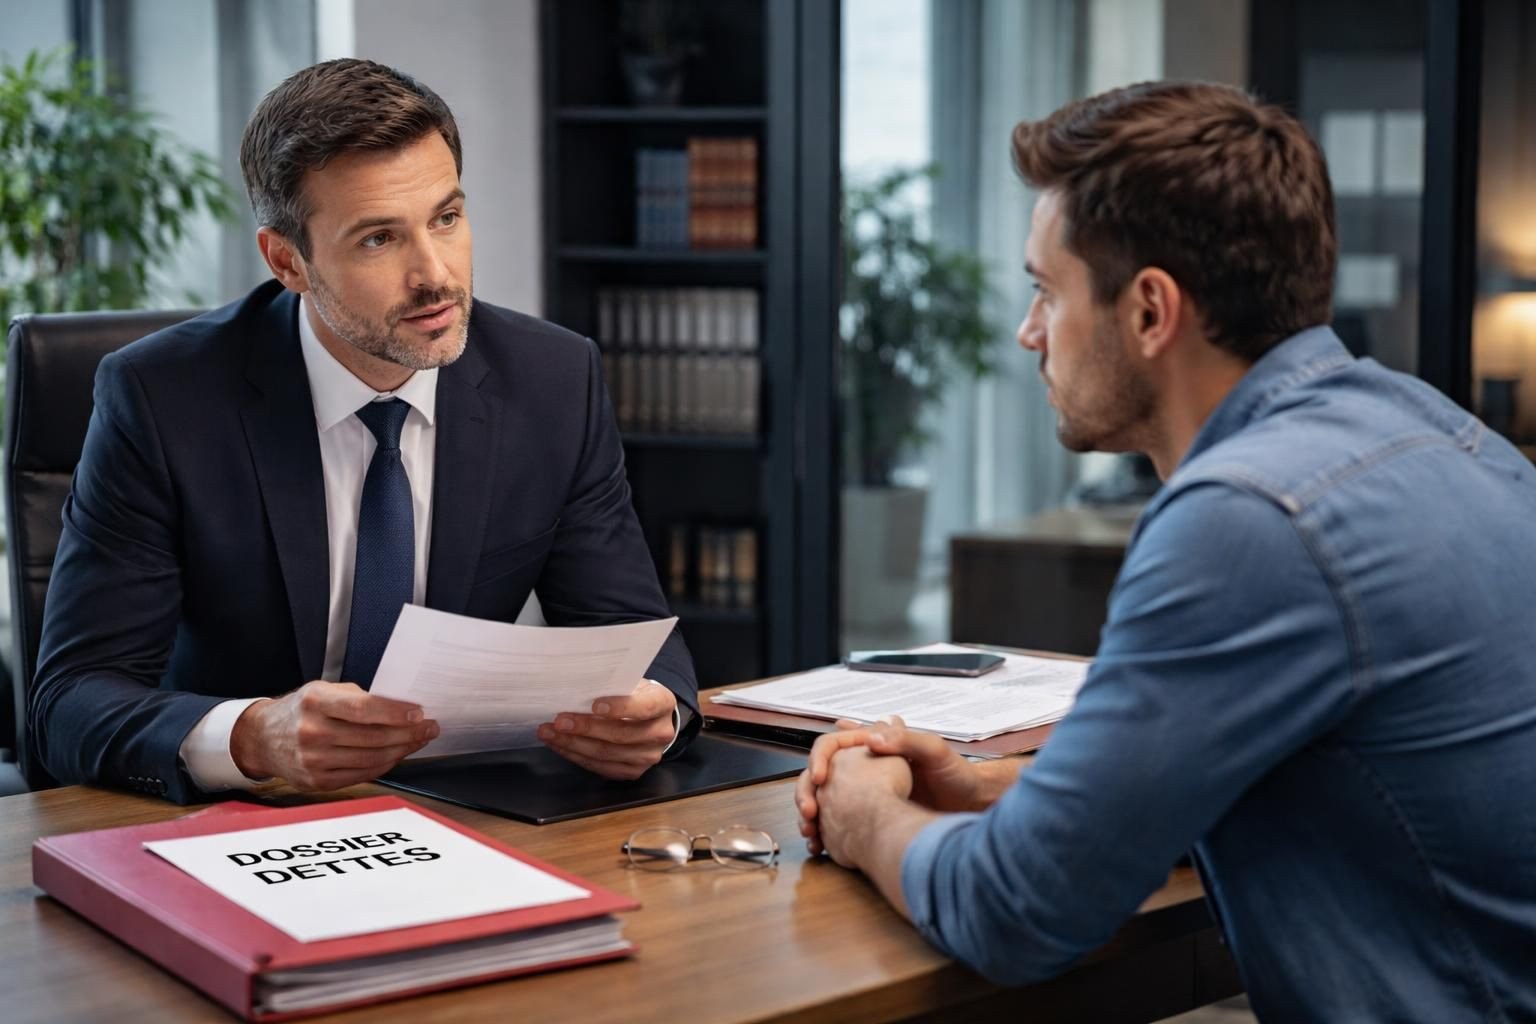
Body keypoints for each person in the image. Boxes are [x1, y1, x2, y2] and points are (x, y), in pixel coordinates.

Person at [796, 81, 1536, 1021]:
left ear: (1150, 311)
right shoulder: (1438, 430)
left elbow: (1014, 909)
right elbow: (1300, 769)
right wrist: (991, 788)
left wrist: (864, 816)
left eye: (1045, 291)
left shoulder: (1247, 520)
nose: (1028, 333)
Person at [31, 59, 698, 803]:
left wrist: (655, 713)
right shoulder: (161, 399)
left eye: (446, 218)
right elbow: (70, 702)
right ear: (288, 261)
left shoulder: (552, 381)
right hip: (241, 821)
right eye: (379, 239)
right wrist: (254, 735)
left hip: (465, 810)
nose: (435, 274)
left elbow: (638, 636)